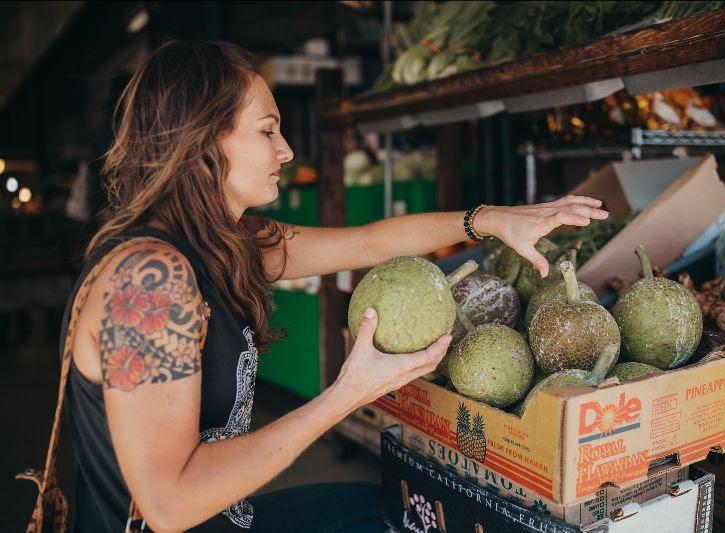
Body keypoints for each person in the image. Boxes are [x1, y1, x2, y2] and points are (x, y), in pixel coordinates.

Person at [63, 40, 608, 532]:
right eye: (267, 129)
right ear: (202, 141)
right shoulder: (149, 280)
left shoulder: (224, 242)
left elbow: (370, 243)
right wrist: (347, 394)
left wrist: (492, 219)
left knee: (393, 510)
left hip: (232, 520)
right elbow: (170, 505)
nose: (287, 151)